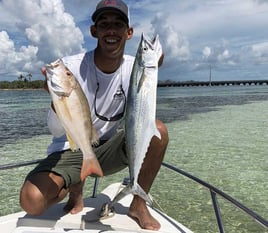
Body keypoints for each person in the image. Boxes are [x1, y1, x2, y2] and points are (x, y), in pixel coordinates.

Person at [19, 0, 168, 231]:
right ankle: (75, 188)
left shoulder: (134, 67)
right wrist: (57, 102)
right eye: (104, 23)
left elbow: (146, 96)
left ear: (128, 33)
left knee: (158, 131)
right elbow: (57, 131)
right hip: (70, 149)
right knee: (31, 201)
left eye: (118, 24)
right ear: (93, 31)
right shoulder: (70, 67)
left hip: (108, 147)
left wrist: (154, 62)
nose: (111, 30)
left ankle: (138, 203)